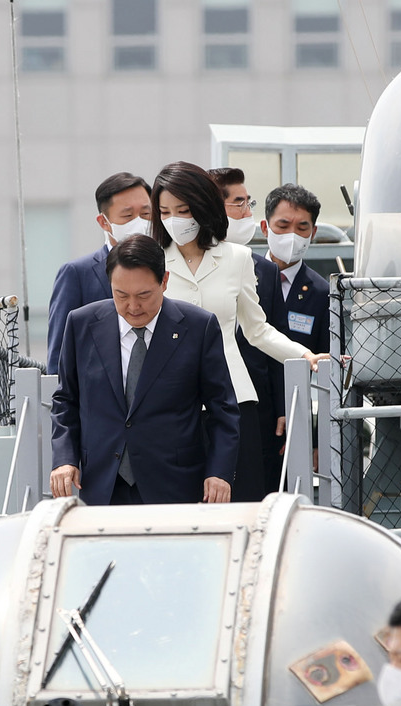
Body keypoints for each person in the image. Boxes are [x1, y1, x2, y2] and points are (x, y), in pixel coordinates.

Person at [151, 161, 325, 502]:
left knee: (241, 499)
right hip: (170, 401)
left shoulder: (238, 258)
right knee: (179, 503)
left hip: (233, 399)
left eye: (183, 210)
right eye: (165, 211)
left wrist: (304, 355)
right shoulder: (151, 260)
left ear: (203, 206)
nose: (174, 219)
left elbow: (258, 330)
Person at [50, 234, 240, 507]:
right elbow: (66, 400)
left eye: (143, 295)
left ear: (164, 281)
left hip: (173, 484)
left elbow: (222, 409)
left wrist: (219, 473)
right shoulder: (81, 324)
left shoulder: (198, 327)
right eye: (121, 295)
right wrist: (65, 459)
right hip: (102, 483)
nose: (133, 307)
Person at [208, 166, 286, 493]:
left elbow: (271, 332)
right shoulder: (174, 265)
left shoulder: (264, 270)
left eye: (248, 202)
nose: (246, 212)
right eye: (238, 203)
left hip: (256, 403)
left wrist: (284, 406)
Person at [47, 171, 152, 374]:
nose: (140, 222)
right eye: (128, 215)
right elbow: (59, 356)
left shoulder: (169, 266)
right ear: (104, 222)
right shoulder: (77, 274)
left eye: (146, 214)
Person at [262, 183, 330, 355]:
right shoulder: (244, 275)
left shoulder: (322, 293)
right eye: (283, 226)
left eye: (301, 228)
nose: (292, 236)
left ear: (313, 233)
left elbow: (326, 359)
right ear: (265, 228)